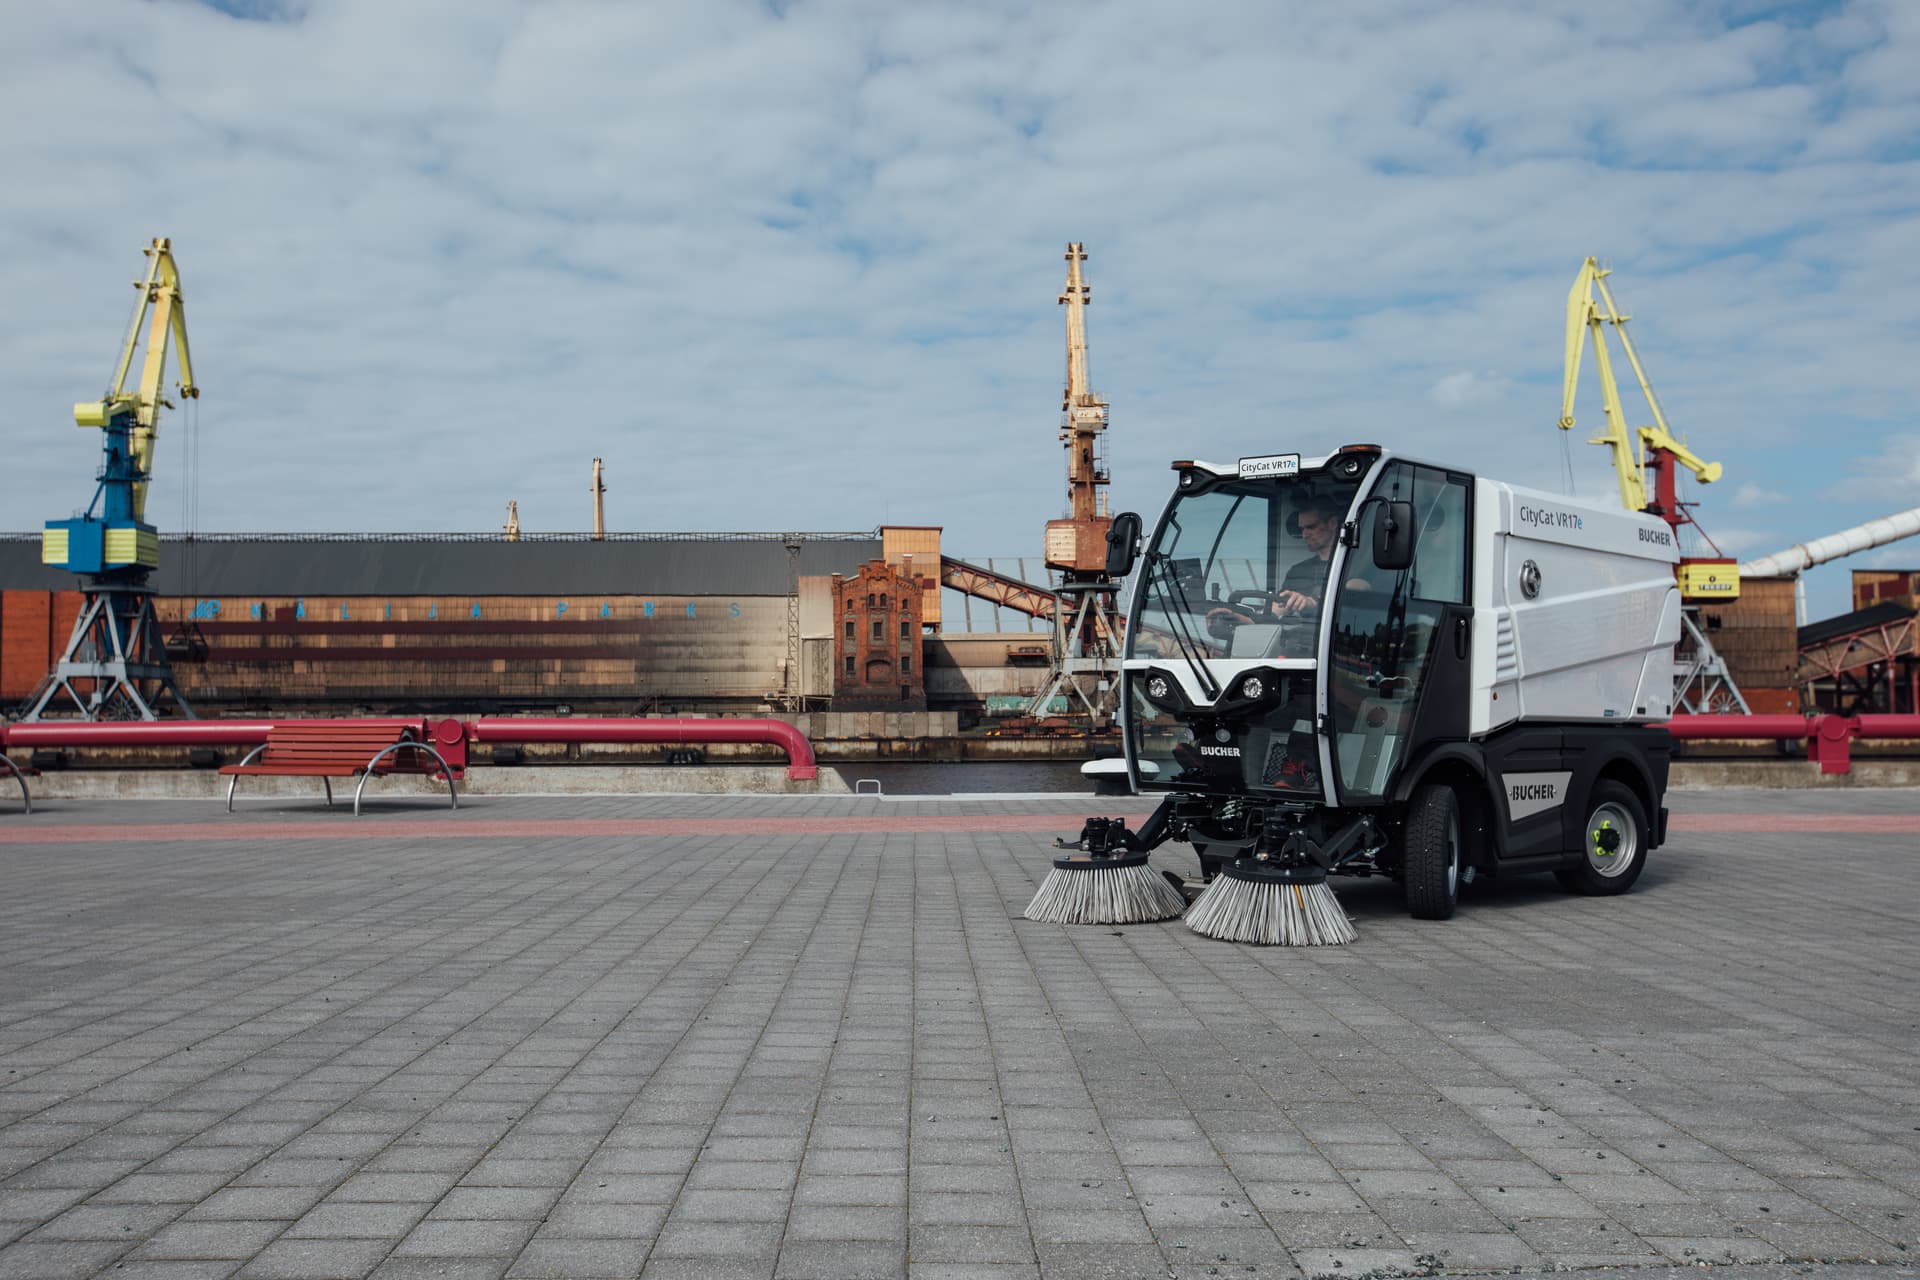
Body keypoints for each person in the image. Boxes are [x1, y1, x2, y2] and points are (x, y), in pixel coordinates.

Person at [1271, 499, 1342, 616]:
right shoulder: (1298, 571)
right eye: (1302, 529)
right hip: (1305, 634)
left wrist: (1311, 602)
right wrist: (1242, 618)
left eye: (1311, 527)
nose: (1304, 535)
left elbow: (1355, 588)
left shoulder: (1350, 566)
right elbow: (1277, 608)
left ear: (1333, 523)